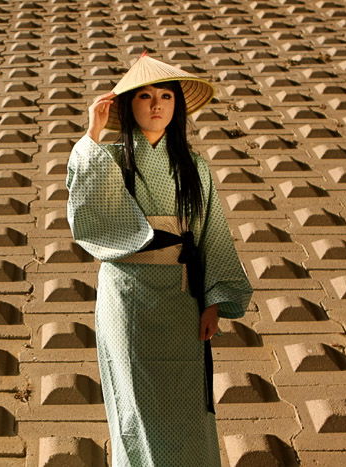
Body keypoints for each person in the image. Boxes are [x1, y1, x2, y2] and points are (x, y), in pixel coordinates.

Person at [65, 52, 253, 466]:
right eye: (145, 96)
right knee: (133, 400)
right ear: (128, 107)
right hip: (125, 297)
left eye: (165, 96)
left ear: (177, 105)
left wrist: (213, 301)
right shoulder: (109, 159)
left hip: (181, 297)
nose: (155, 105)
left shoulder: (194, 167)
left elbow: (211, 235)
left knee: (185, 400)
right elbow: (85, 212)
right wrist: (92, 133)